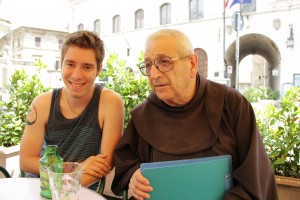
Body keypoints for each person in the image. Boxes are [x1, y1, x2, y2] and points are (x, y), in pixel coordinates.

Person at [111, 29, 278, 199]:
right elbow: (127, 164)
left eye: (164, 62)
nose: (154, 74)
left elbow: (254, 179)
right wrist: (133, 177)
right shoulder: (143, 116)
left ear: (192, 63)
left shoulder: (232, 105)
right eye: (148, 65)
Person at [20, 30, 124, 189]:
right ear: (61, 63)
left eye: (87, 67)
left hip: (82, 191)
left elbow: (105, 164)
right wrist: (76, 168)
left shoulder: (110, 102)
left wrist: (62, 186)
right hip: (42, 188)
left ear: (99, 70)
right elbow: (26, 160)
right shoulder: (42, 103)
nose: (76, 75)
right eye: (70, 64)